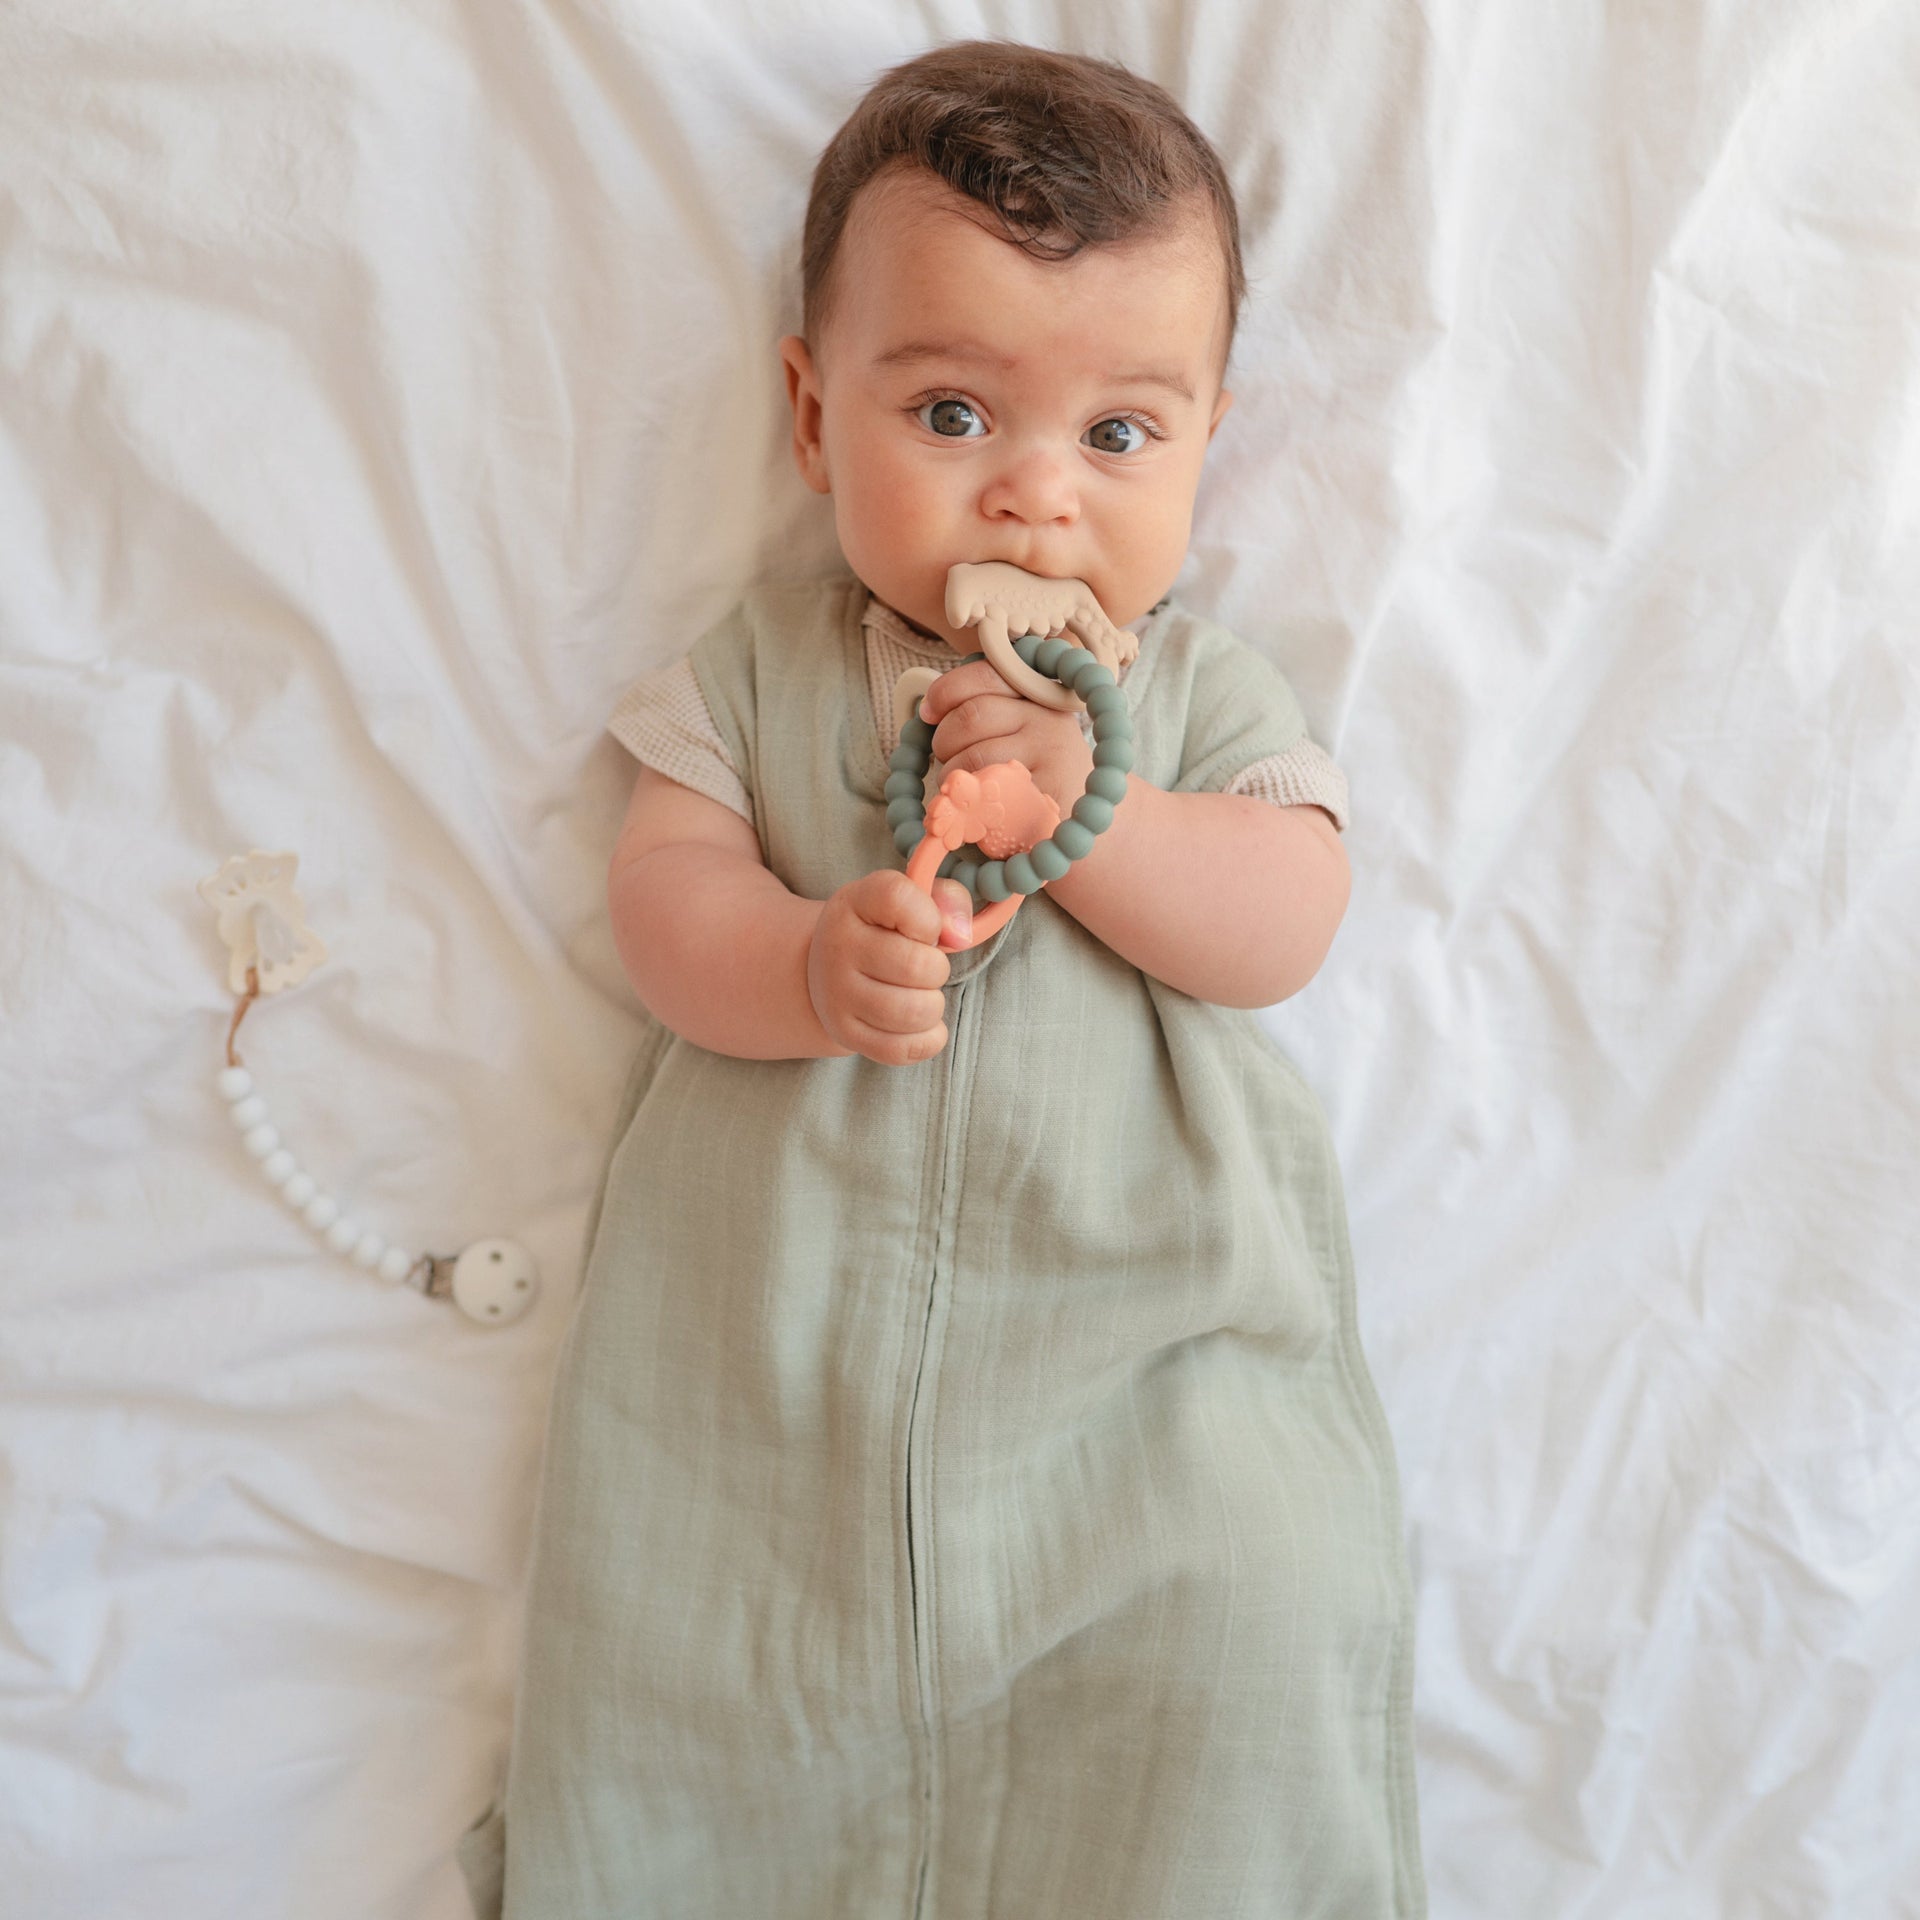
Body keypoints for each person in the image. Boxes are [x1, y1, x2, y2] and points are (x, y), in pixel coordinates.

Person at [462, 39, 1425, 1920]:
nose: (1033, 501)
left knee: (1246, 1636)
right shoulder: (758, 670)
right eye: (957, 414)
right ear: (815, 417)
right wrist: (803, 965)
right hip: (768, 1409)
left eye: (1119, 436)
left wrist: (1094, 813)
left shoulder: (1196, 694)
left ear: (1209, 441)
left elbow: (1288, 920)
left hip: (1153, 1404)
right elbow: (664, 899)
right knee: (688, 1704)